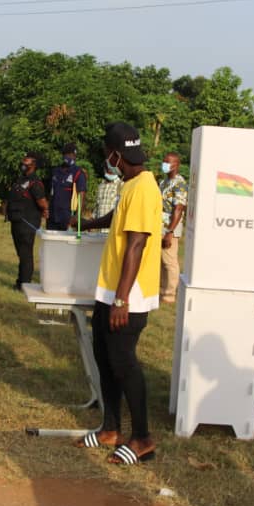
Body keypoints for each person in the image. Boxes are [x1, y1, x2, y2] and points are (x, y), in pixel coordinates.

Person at [78, 122, 161, 465]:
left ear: (114, 154)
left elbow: (137, 243)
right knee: (104, 356)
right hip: (109, 289)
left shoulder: (144, 188)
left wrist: (122, 299)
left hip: (129, 294)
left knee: (124, 363)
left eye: (106, 154)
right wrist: (88, 223)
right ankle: (110, 428)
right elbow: (118, 218)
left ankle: (142, 439)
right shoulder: (131, 185)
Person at [6, 151, 48, 290]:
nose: (24, 162)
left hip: (27, 223)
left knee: (26, 254)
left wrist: (45, 211)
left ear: (34, 164)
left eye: (27, 160)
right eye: (24, 159)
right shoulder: (20, 179)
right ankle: (21, 280)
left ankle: (24, 284)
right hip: (16, 221)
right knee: (21, 254)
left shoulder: (35, 183)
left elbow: (42, 203)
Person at [158, 151, 188, 304]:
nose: (164, 164)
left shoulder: (179, 184)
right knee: (161, 261)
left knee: (169, 261)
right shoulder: (164, 183)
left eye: (167, 162)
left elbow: (178, 208)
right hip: (159, 226)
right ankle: (161, 291)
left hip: (170, 228)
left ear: (176, 165)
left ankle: (169, 294)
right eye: (164, 161)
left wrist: (169, 232)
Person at [46, 142, 86, 231]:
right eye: (67, 154)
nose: (70, 157)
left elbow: (81, 195)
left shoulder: (78, 172)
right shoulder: (55, 171)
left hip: (67, 218)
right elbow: (51, 193)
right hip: (52, 217)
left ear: (75, 156)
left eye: (72, 155)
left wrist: (77, 216)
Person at [93, 169, 122, 234]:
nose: (110, 171)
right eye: (108, 170)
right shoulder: (101, 185)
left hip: (112, 229)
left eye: (112, 170)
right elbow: (97, 205)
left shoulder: (121, 185)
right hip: (99, 229)